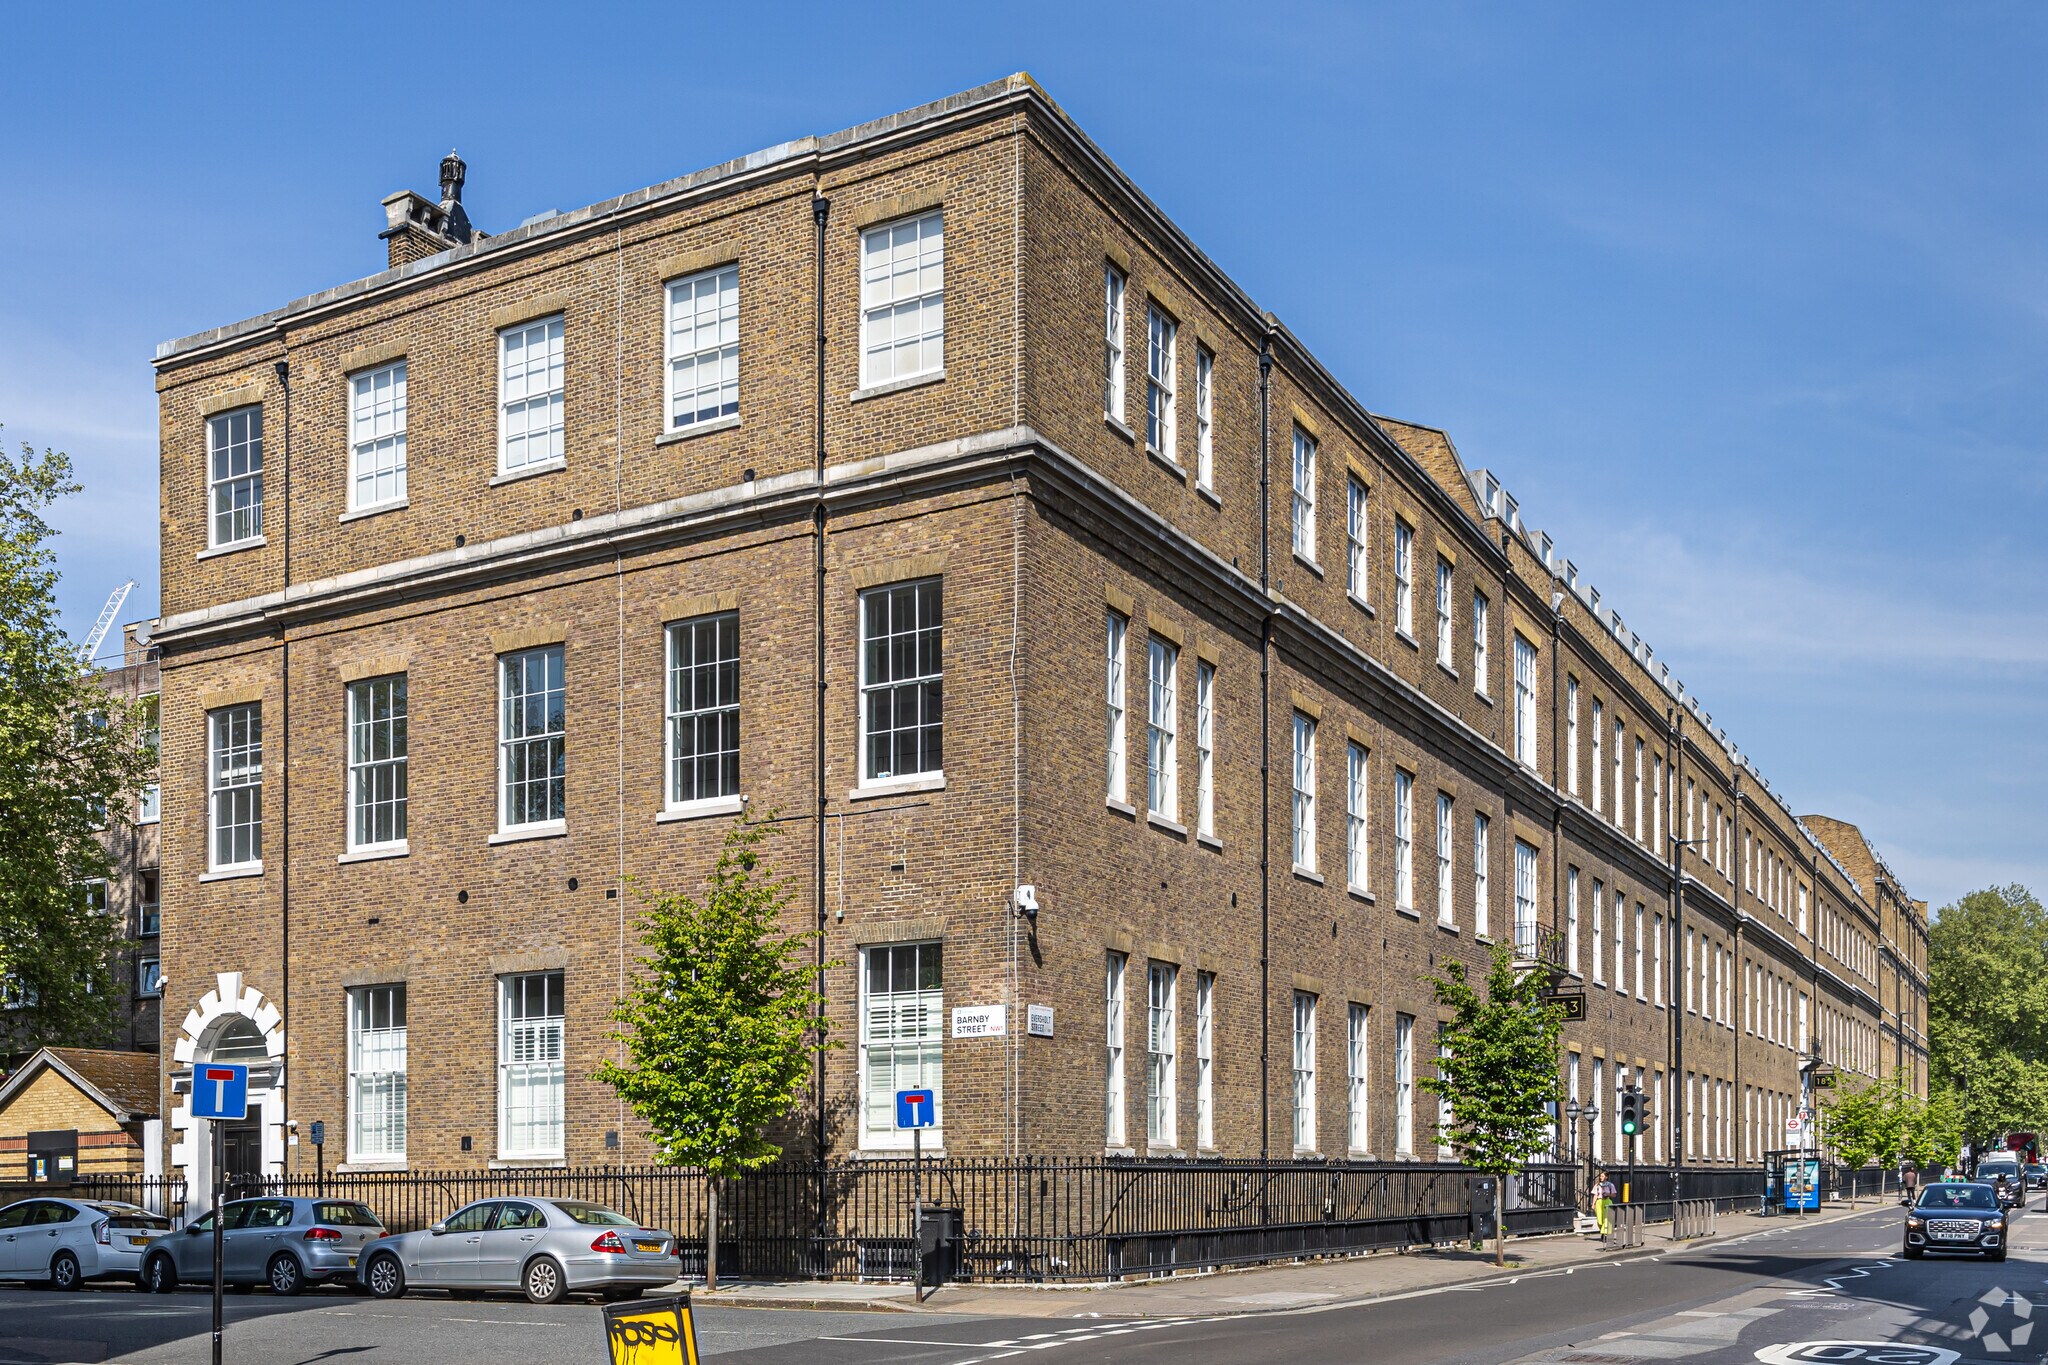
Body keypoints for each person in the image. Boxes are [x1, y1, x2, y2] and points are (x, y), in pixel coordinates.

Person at [1593, 1170, 1618, 1236]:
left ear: (1606, 1177)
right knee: (1599, 1220)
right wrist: (1593, 1204)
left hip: (1607, 1201)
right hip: (1599, 1202)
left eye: (1602, 1176)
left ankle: (1605, 1234)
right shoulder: (1597, 1185)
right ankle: (1602, 1231)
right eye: (1600, 1176)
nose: (1600, 1177)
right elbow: (1595, 1195)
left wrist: (1608, 1194)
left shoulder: (1610, 1185)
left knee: (1606, 1219)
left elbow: (1614, 1195)